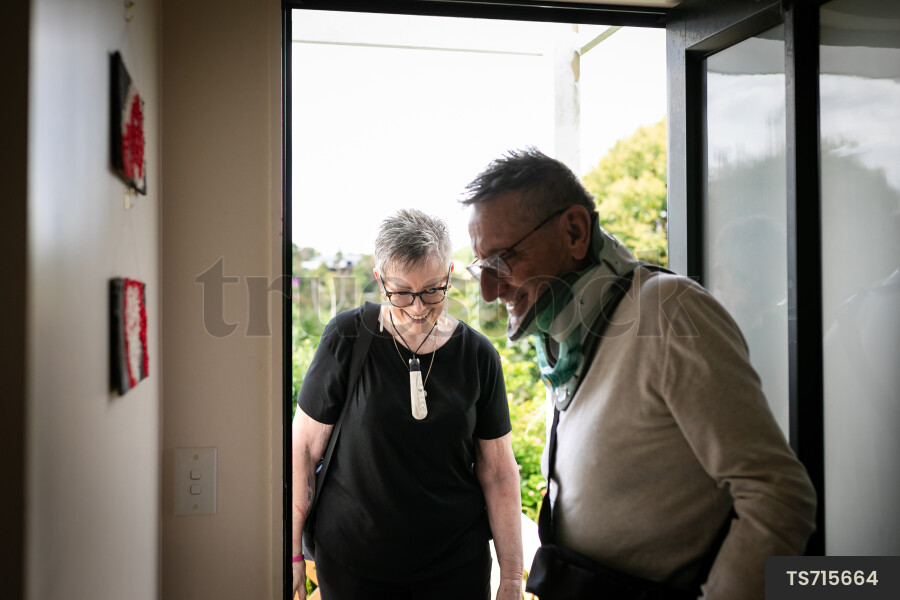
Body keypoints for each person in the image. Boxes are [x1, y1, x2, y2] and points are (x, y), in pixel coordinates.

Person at [463, 148, 817, 600]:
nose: (490, 292)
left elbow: (779, 496)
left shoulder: (667, 311)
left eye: (503, 260)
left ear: (574, 232)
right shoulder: (575, 339)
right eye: (482, 268)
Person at [292, 209, 523, 600]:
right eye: (401, 292)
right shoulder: (347, 337)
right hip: (354, 566)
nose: (418, 307)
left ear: (450, 274)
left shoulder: (478, 355)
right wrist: (292, 556)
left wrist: (512, 578)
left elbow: (498, 471)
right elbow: (303, 449)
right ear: (381, 280)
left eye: (433, 289)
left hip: (455, 569)